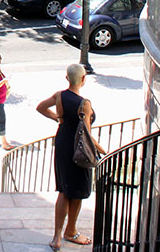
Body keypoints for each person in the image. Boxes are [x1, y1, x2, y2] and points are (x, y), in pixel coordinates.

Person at [36, 63, 106, 250]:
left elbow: (40, 107)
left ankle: (57, 237)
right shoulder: (85, 104)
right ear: (83, 79)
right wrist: (103, 151)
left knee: (64, 190)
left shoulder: (60, 95)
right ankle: (71, 231)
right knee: (78, 192)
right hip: (78, 148)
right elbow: (87, 135)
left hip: (62, 143)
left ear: (67, 78)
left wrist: (58, 119)